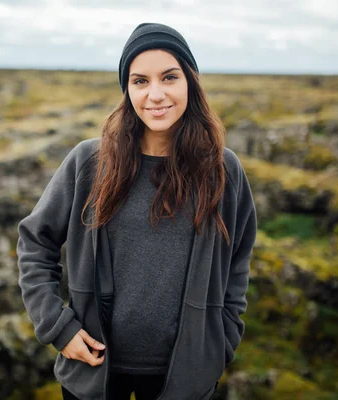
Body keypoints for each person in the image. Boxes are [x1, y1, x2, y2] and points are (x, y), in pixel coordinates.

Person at [17, 22, 257, 400]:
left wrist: (222, 339)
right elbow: (35, 243)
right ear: (127, 90)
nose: (156, 94)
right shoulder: (90, 163)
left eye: (169, 77)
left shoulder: (222, 170)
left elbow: (238, 261)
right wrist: (57, 327)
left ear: (190, 82)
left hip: (185, 377)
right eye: (140, 81)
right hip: (94, 370)